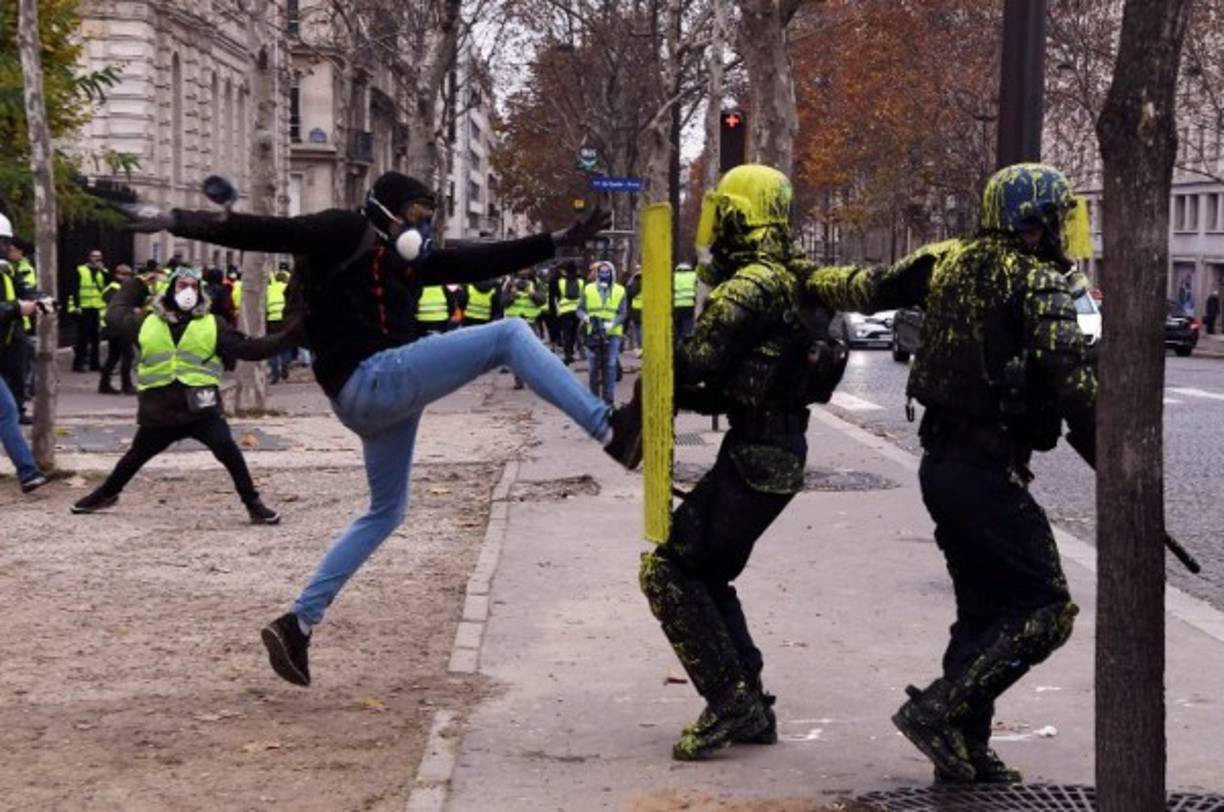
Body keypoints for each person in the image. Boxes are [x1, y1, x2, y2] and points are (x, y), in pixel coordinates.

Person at [114, 169, 640, 687]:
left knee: (386, 512)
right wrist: (173, 219)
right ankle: (608, 429)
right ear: (384, 210)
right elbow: (265, 230)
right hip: (373, 379)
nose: (424, 229)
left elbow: (477, 256)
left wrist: (556, 241)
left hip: (365, 397)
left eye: (430, 220)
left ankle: (296, 624)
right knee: (509, 335)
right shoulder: (342, 229)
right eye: (416, 217)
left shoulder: (407, 262)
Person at [824, 163, 1093, 784]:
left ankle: (963, 749)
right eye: (1058, 217)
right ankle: (940, 712)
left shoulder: (946, 260)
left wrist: (794, 275)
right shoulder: (1036, 280)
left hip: (942, 466)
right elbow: (1076, 386)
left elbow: (866, 286)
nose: (1061, 229)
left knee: (981, 612)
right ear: (1036, 219)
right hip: (986, 470)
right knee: (1045, 609)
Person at [70, 265, 287, 523]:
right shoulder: (146, 322)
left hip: (201, 411)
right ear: (170, 290)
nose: (187, 291)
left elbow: (249, 349)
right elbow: (115, 314)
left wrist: (289, 337)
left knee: (228, 451)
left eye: (193, 286)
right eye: (182, 285)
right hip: (160, 411)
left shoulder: (213, 324)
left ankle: (253, 504)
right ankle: (106, 494)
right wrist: (138, 284)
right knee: (135, 456)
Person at [577, 261, 626, 406]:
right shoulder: (588, 289)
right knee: (593, 368)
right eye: (602, 272)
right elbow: (580, 309)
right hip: (593, 332)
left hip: (613, 333)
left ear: (612, 273)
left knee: (610, 366)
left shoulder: (620, 290)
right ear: (598, 274)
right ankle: (594, 400)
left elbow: (623, 312)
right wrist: (586, 318)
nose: (604, 274)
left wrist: (613, 323)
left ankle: (608, 402)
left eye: (607, 272)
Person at [98, 264, 137, 395]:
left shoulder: (120, 289)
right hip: (117, 327)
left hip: (116, 327)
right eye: (125, 274)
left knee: (114, 356)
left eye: (129, 275)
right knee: (128, 355)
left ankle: (104, 384)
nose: (128, 277)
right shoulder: (114, 290)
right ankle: (126, 385)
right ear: (117, 274)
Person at [69, 248, 109, 372]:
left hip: (96, 308)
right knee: (83, 338)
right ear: (89, 257)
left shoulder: (103, 272)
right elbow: (74, 289)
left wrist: (102, 270)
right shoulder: (81, 270)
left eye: (99, 257)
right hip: (84, 308)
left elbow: (110, 284)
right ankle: (78, 363)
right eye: (94, 256)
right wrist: (76, 306)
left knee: (96, 338)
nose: (96, 259)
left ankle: (94, 364)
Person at [266, 264, 294, 383]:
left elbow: (264, 305)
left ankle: (274, 372)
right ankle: (285, 365)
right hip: (285, 320)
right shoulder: (287, 287)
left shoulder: (269, 289)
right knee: (286, 345)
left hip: (271, 320)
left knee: (272, 347)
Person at [555, 262, 584, 365]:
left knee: (566, 333)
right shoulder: (581, 282)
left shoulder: (561, 282)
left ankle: (568, 354)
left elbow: (557, 296)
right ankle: (571, 351)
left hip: (565, 310)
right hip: (576, 310)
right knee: (574, 333)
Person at [673, 261, 698, 339]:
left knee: (677, 328)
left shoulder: (673, 276)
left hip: (676, 306)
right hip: (689, 305)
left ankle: (679, 342)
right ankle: (686, 342)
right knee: (688, 328)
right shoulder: (694, 275)